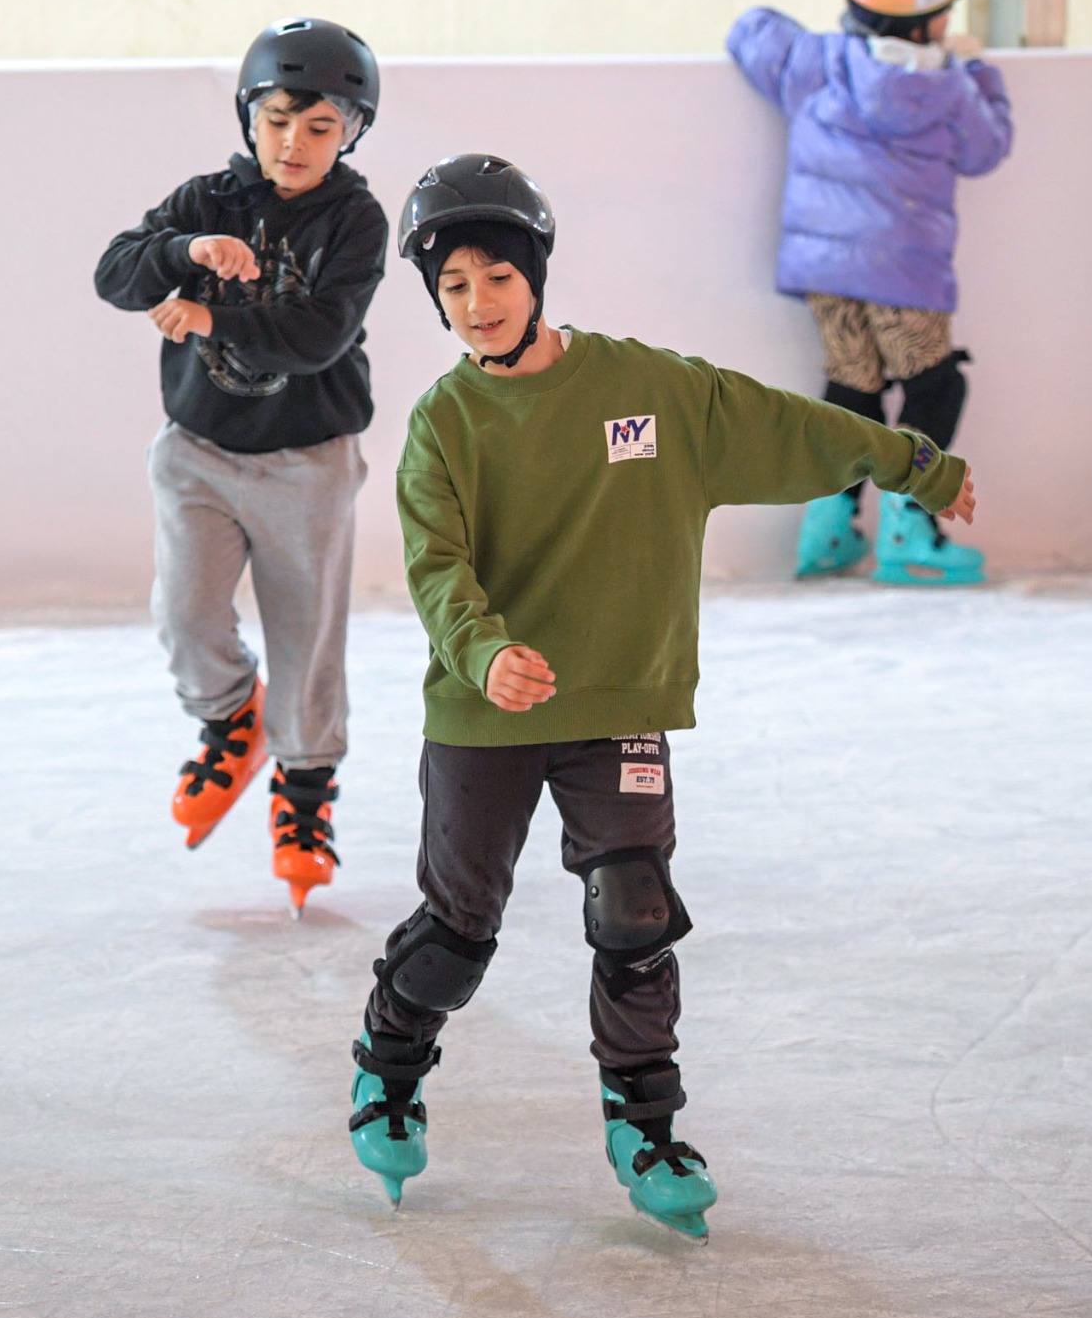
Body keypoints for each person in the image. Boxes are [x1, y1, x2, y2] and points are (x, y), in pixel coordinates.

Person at [345, 154, 977, 1238]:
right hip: (485, 711)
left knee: (634, 910)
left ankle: (645, 1122)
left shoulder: (647, 390)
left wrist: (912, 459)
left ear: (536, 273)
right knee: (458, 931)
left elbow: (790, 428)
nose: (478, 303)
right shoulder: (444, 422)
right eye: (453, 286)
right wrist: (485, 651)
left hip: (614, 700)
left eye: (496, 276)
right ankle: (387, 1073)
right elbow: (436, 564)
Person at [93, 18, 387, 913]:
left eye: (320, 126)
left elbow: (319, 334)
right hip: (199, 453)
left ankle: (303, 800)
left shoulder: (357, 220)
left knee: (307, 642)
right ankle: (230, 721)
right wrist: (184, 255)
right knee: (185, 615)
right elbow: (115, 275)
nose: (294, 143)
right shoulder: (208, 198)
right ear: (249, 116)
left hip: (310, 463)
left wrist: (212, 317)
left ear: (352, 132)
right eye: (278, 120)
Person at [727, 0, 1012, 584]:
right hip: (904, 271)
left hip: (825, 269)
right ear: (928, 22)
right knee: (935, 385)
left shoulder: (819, 62)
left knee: (852, 386)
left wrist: (832, 31)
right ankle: (911, 527)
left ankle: (828, 529)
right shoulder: (952, 88)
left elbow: (751, 31)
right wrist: (978, 70)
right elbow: (988, 149)